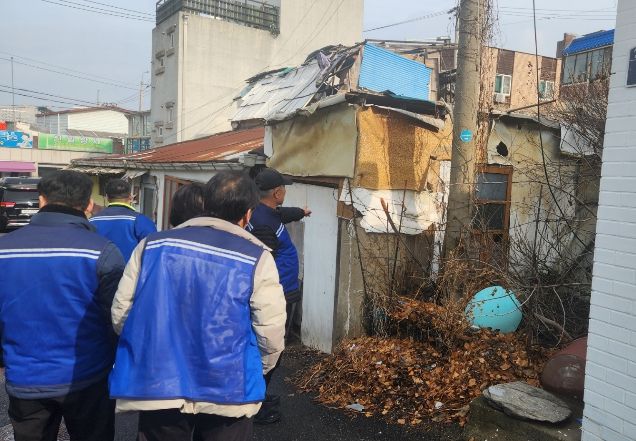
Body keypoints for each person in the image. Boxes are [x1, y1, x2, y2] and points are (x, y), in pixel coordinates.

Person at [109, 170, 286, 441]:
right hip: (229, 388)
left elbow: (122, 313)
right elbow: (270, 332)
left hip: (158, 384)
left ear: (208, 203)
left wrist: (147, 351)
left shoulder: (151, 246)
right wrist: (256, 369)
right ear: (248, 214)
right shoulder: (257, 258)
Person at [0, 170, 125, 441]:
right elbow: (116, 318)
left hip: (25, 377)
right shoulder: (102, 251)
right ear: (88, 205)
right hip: (88, 376)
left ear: (41, 200)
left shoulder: (4, 248)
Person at [246, 167, 311, 424]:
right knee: (270, 350)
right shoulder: (263, 224)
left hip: (282, 291)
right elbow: (263, 261)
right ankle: (255, 403)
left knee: (272, 349)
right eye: (283, 188)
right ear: (277, 193)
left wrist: (301, 213)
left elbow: (283, 214)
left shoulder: (265, 212)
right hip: (276, 296)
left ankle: (259, 394)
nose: (285, 191)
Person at [90, 178, 156, 261]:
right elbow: (153, 251)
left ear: (107, 197)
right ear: (130, 197)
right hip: (130, 269)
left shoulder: (92, 221)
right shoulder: (141, 220)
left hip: (99, 268)